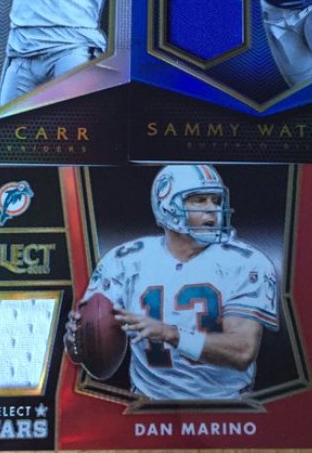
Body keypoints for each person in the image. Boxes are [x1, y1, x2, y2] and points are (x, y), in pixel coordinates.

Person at [65, 165, 278, 401]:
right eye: (200, 200)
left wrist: (169, 333)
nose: (214, 209)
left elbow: (242, 351)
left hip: (226, 405)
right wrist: (78, 341)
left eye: (216, 200)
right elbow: (92, 330)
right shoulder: (125, 260)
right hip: (147, 405)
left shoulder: (246, 262)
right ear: (168, 207)